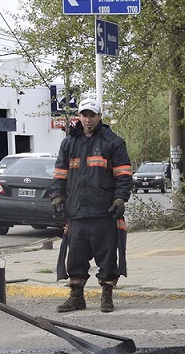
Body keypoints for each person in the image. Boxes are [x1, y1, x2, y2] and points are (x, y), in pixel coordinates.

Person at [50, 97, 133, 313]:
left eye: (92, 115)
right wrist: (57, 196)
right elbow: (60, 174)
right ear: (79, 116)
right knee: (75, 259)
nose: (88, 119)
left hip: (104, 212)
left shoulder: (113, 142)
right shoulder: (69, 143)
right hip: (77, 212)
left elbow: (123, 175)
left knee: (107, 258)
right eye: (84, 115)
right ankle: (76, 298)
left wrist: (120, 199)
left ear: (99, 117)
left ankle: (107, 297)